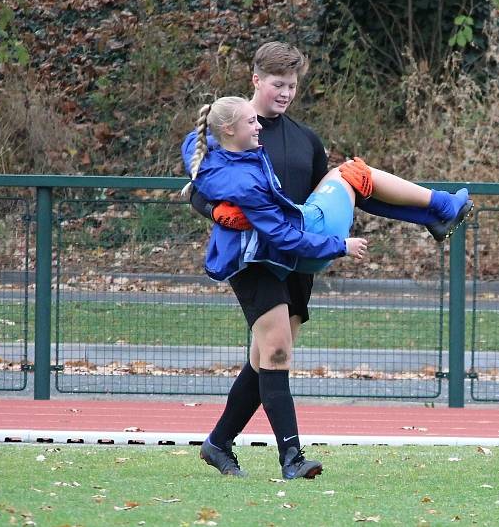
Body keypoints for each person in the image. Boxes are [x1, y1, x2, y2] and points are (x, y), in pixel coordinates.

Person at [182, 96, 472, 479]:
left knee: (267, 358)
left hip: (293, 251)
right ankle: (291, 458)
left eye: (291, 83)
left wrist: (208, 203)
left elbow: (195, 149)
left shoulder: (277, 139)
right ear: (254, 85)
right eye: (253, 121)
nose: (260, 128)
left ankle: (218, 442)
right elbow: (281, 234)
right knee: (277, 352)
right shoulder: (240, 169)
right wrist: (340, 246)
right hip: (261, 258)